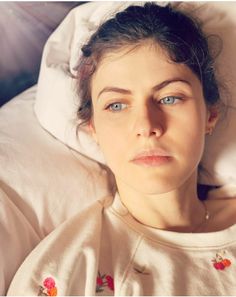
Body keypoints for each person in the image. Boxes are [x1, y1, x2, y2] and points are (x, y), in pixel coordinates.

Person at [7, 2, 236, 296]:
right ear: (93, 128)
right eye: (117, 105)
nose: (146, 125)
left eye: (169, 98)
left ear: (210, 115)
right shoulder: (70, 272)